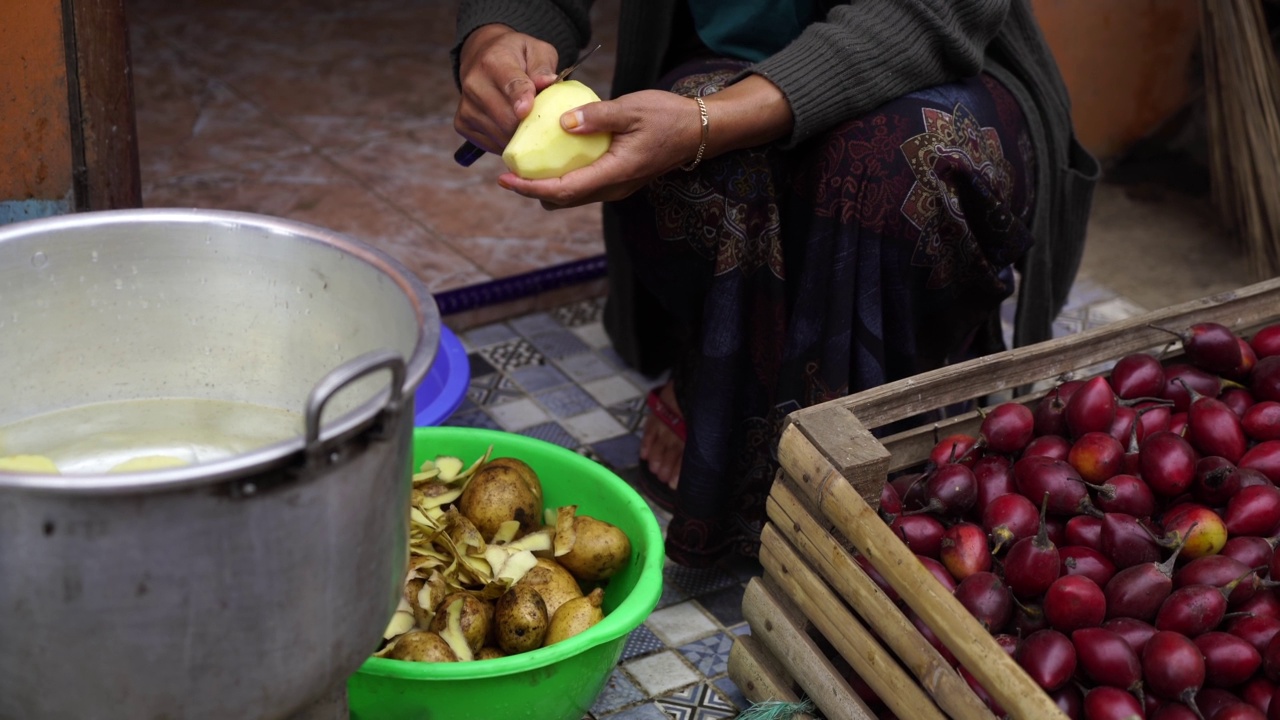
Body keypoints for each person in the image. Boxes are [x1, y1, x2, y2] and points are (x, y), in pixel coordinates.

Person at [451, 0, 1099, 568]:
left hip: (944, 71)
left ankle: (881, 421)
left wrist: (709, 120)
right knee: (701, 171)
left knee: (885, 171)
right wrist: (499, 36)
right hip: (725, 57)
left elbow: (927, 11)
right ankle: (721, 380)